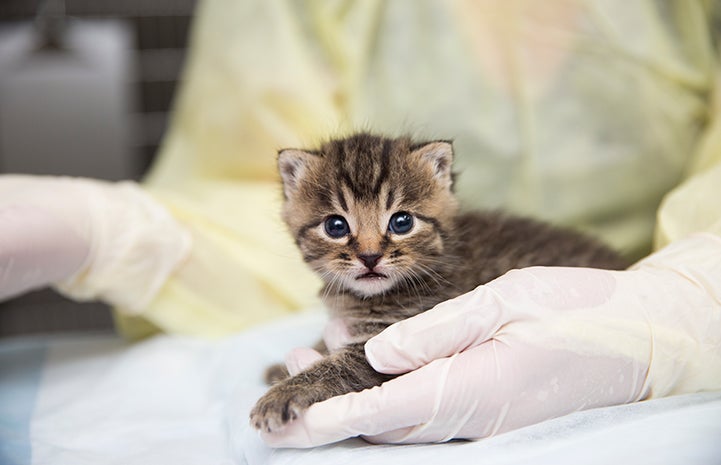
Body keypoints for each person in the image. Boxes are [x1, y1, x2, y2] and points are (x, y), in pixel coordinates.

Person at [1, 0, 720, 447]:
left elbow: (385, 350)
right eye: (342, 228)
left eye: (399, 222)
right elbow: (225, 187)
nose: (373, 249)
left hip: (633, 299)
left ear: (439, 189)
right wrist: (105, 230)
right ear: (295, 204)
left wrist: (682, 299)